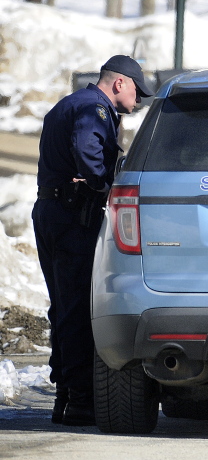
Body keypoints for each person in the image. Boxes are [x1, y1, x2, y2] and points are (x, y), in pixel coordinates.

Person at [32, 55, 153, 426]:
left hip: (53, 212)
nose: (138, 101)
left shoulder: (70, 103)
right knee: (77, 310)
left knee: (64, 306)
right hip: (72, 218)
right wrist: (103, 185)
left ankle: (66, 395)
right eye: (136, 92)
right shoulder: (93, 110)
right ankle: (81, 402)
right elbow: (88, 150)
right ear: (119, 84)